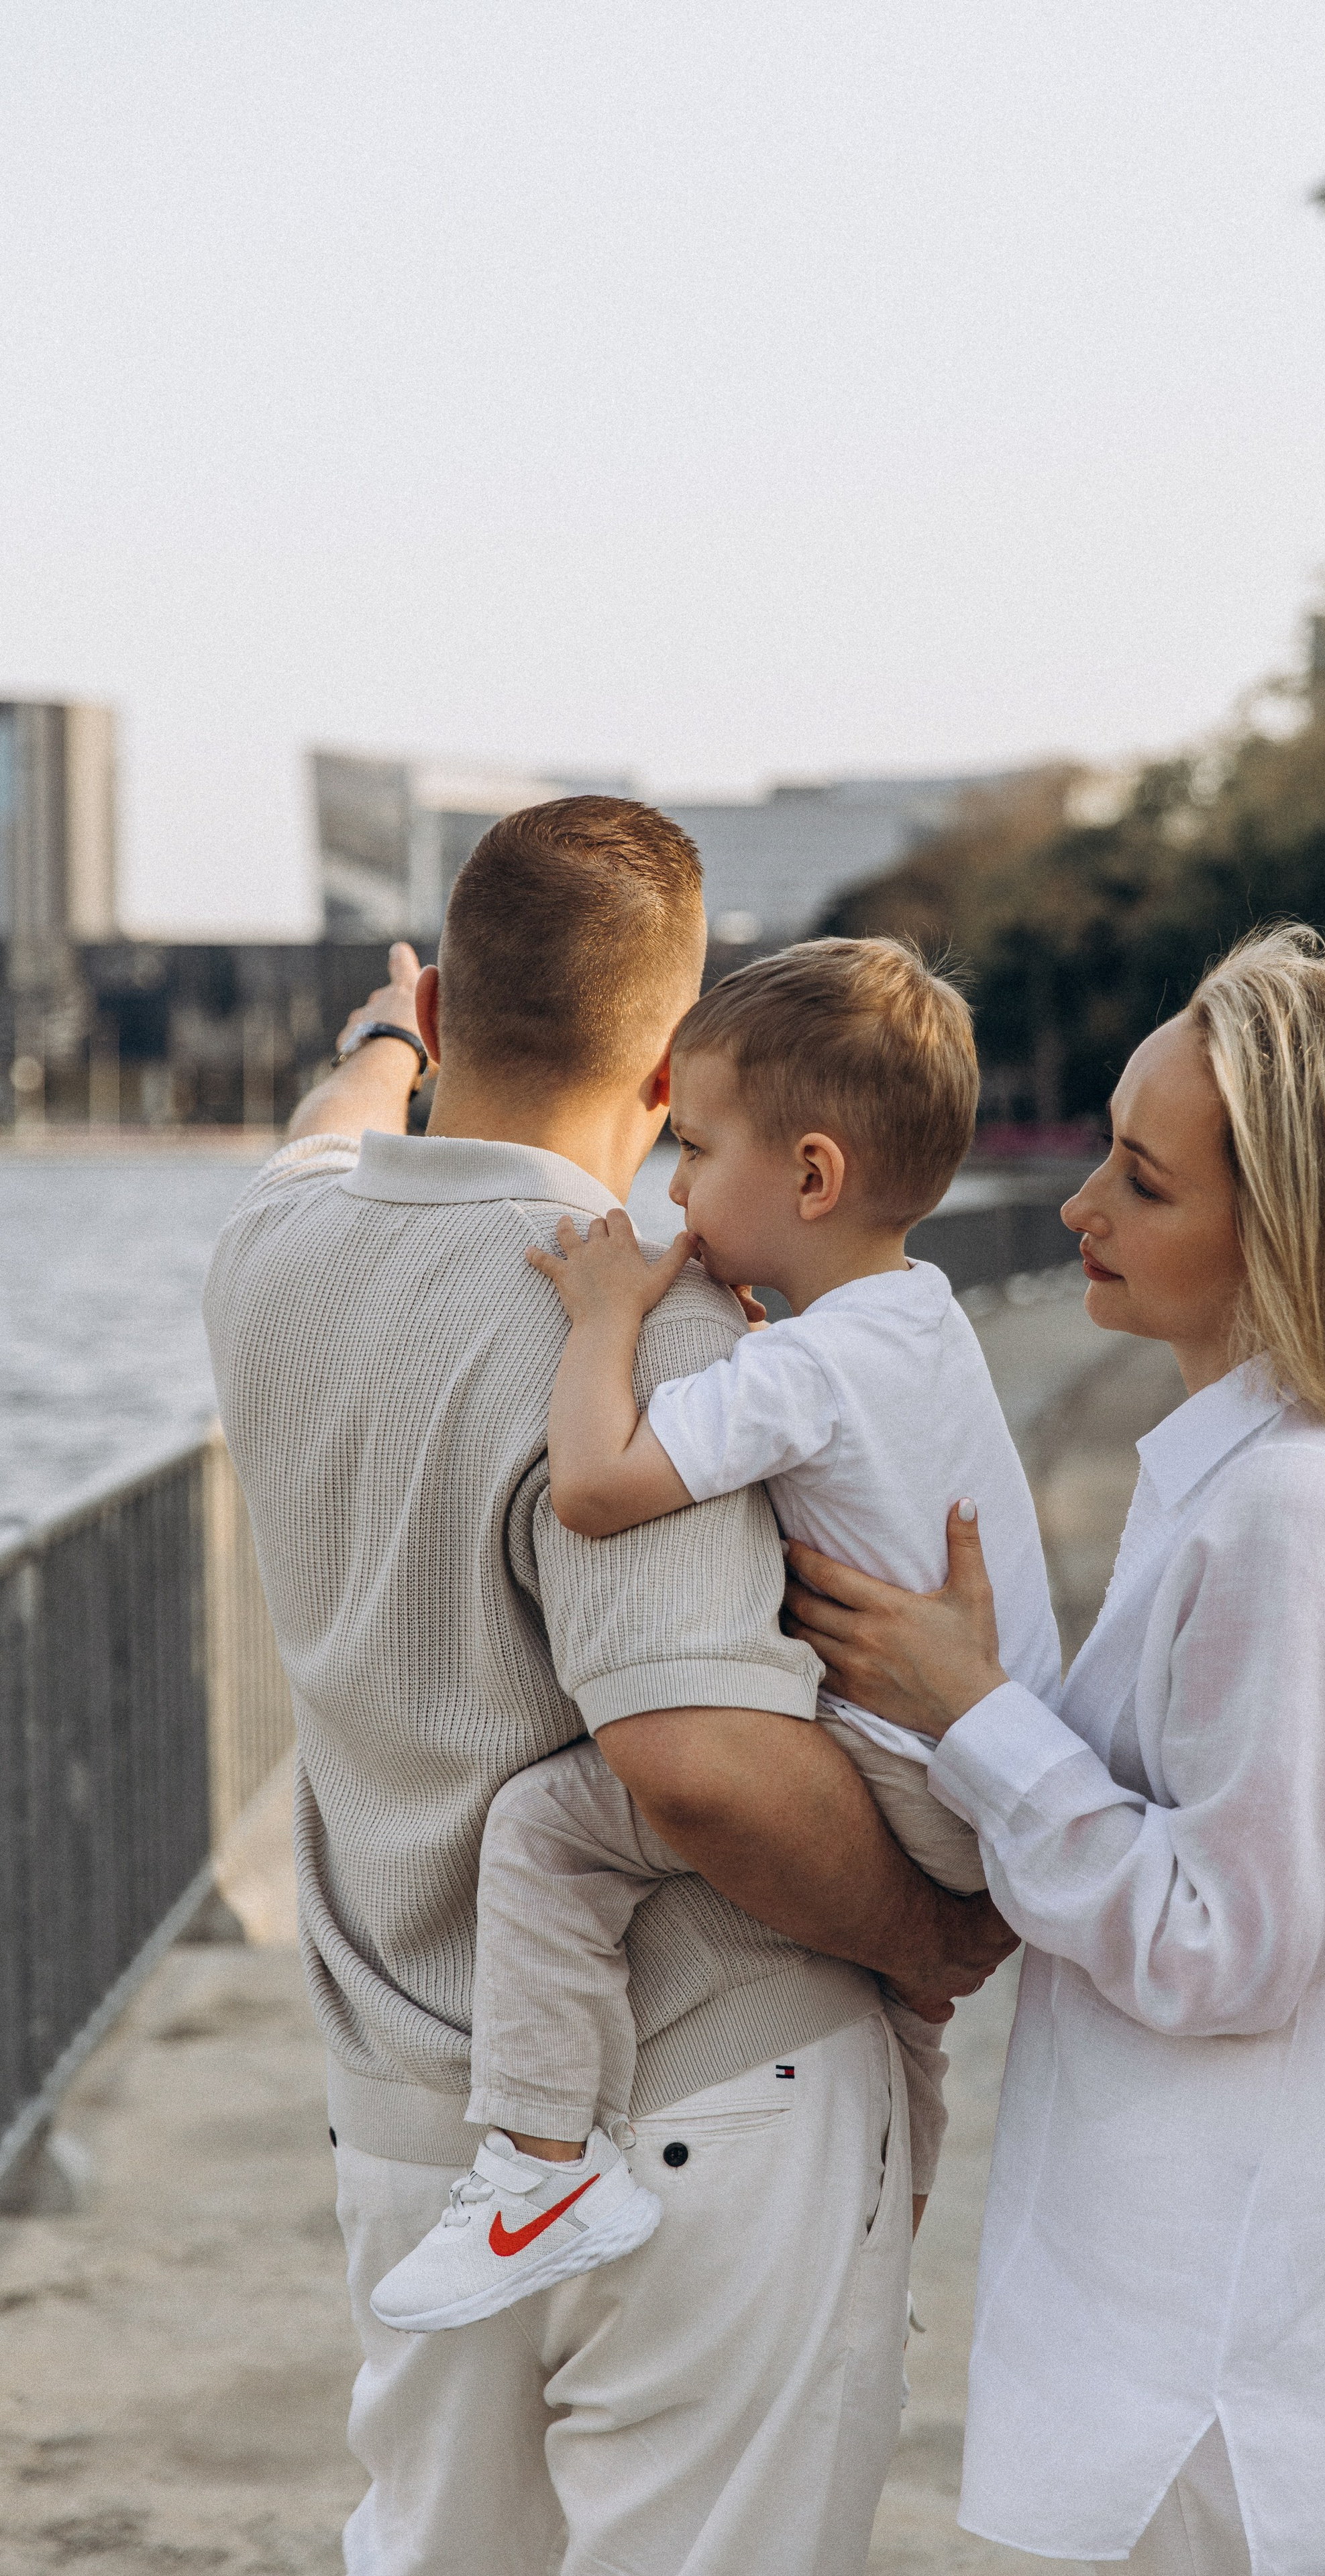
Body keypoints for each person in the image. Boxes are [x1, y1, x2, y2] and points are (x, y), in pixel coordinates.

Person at [203, 797, 1014, 2576]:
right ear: (673, 1064)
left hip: (422, 2130)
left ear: (456, 1008)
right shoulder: (656, 1331)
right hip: (709, 2104)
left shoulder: (270, 1250)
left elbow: (327, 1131)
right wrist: (932, 1940)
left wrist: (378, 1044)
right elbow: (695, 1762)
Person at [784, 926, 1325, 2576]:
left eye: (1142, 1183)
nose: (1080, 1207)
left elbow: (1226, 1940)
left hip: (1263, 2379)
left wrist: (973, 1710)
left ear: (1285, 1231)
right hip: (1267, 2328)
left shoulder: (1303, 1513)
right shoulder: (1287, 1470)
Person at [369, 937, 1062, 2334]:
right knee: (903, 2012)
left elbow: (596, 1486)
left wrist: (605, 1321)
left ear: (809, 1177)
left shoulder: (796, 1370)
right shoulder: (915, 1322)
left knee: (548, 1833)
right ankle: (890, 2244)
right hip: (995, 1768)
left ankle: (539, 2166)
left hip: (915, 1774)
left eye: (697, 1147)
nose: (671, 1187)